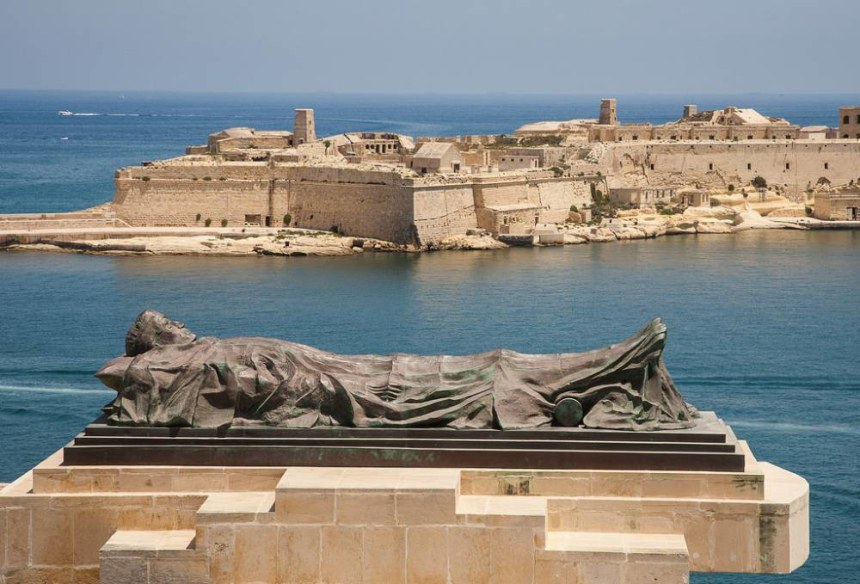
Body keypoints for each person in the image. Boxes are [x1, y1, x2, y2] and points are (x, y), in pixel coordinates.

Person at [97, 310, 697, 431]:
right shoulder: (188, 367)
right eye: (160, 324)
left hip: (350, 368)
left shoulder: (212, 346)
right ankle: (608, 368)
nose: (172, 320)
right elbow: (115, 373)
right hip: (351, 388)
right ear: (155, 348)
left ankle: (605, 369)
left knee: (492, 364)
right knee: (488, 371)